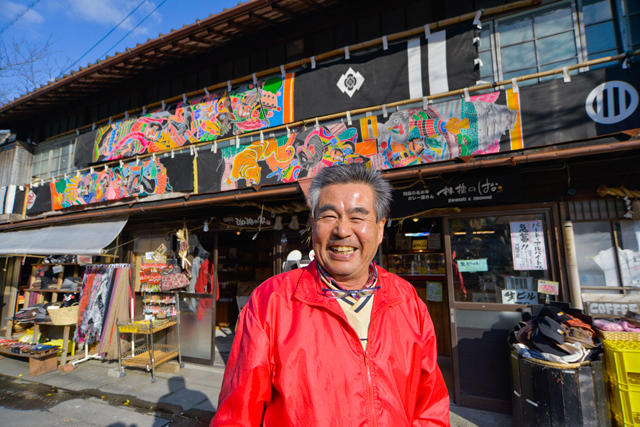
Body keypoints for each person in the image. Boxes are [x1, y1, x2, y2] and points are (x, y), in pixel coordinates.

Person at [211, 164, 450, 426]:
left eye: (357, 217)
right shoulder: (271, 302)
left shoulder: (407, 300)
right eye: (329, 216)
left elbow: (430, 407)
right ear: (313, 225)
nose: (342, 230)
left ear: (380, 228)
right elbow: (237, 414)